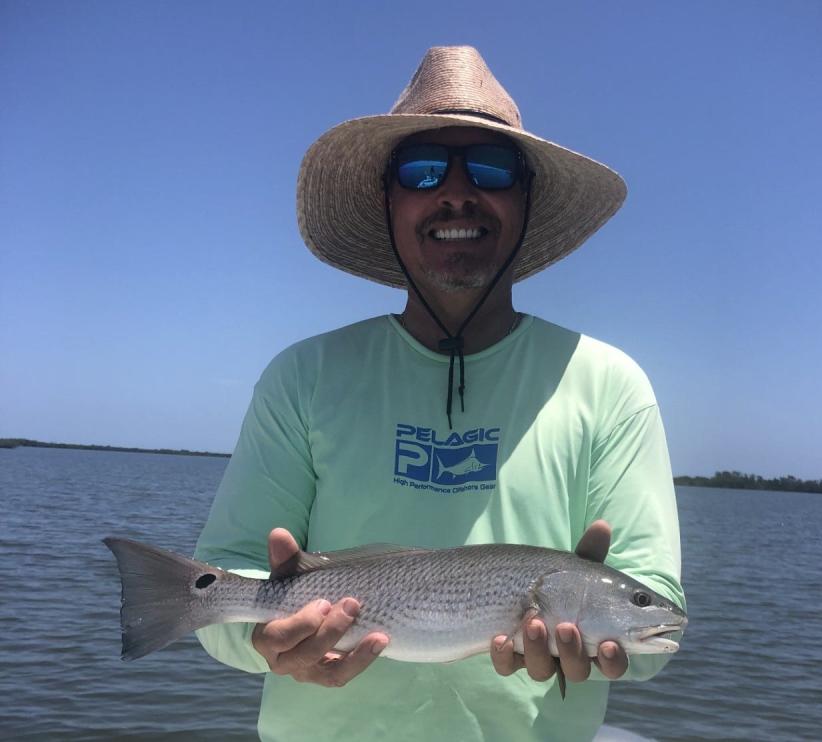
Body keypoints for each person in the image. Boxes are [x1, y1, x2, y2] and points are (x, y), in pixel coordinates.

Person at [195, 46, 684, 742]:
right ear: (388, 202)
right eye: (423, 170)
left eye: (491, 169)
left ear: (526, 201)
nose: (457, 192)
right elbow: (221, 591)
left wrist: (603, 652)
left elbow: (652, 627)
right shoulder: (301, 377)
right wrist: (263, 641)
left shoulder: (610, 386)